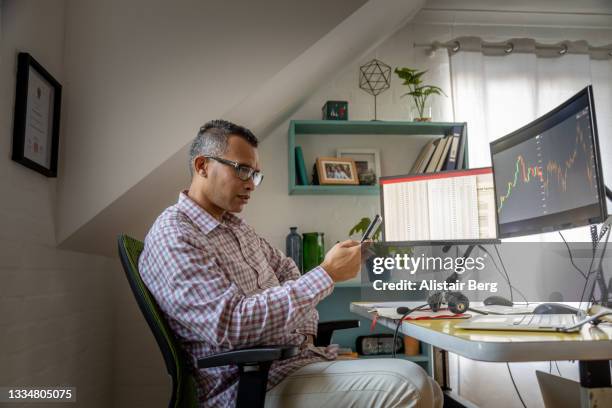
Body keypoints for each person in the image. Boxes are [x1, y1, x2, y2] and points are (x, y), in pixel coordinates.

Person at [139, 119, 442, 407]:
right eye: (242, 170)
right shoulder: (175, 235)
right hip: (250, 385)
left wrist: (305, 330)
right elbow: (230, 324)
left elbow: (287, 271)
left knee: (430, 387)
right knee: (411, 384)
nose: (252, 184)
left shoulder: (236, 227)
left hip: (295, 363)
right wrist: (327, 273)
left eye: (256, 174)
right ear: (202, 166)